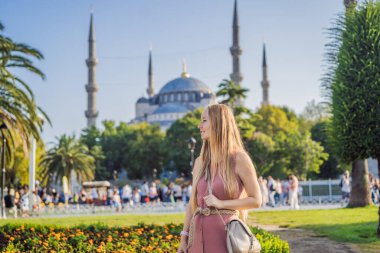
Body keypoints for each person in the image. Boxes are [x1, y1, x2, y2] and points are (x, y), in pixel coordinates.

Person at [177, 104, 262, 253]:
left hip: (225, 236)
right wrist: (183, 238)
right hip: (196, 238)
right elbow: (192, 203)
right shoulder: (200, 162)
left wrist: (221, 203)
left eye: (204, 120)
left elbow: (256, 200)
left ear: (218, 123)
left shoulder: (239, 158)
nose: (199, 126)